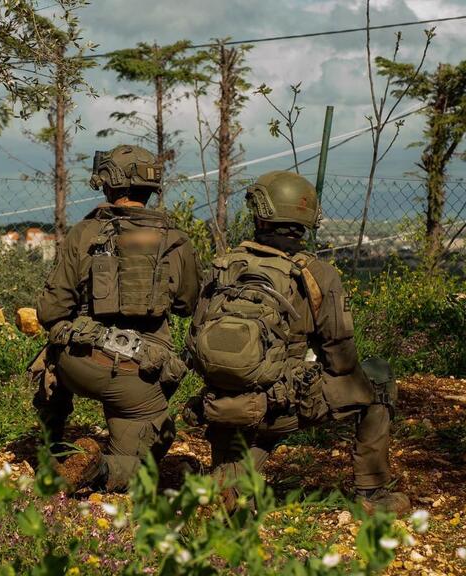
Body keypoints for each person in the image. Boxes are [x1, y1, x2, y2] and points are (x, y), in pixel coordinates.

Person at [185, 170, 409, 514]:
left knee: (262, 408)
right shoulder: (317, 273)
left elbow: (194, 338)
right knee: (376, 377)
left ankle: (228, 484)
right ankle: (373, 494)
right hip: (279, 407)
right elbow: (342, 360)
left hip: (222, 405)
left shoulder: (223, 267)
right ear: (306, 216)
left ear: (259, 213)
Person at [33, 144, 201, 493]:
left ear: (108, 183)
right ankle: (101, 470)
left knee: (49, 353)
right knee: (140, 455)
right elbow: (187, 305)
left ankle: (54, 449)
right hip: (136, 377)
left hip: (80, 364)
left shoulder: (84, 233)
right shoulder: (176, 240)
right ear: (149, 188)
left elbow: (51, 312)